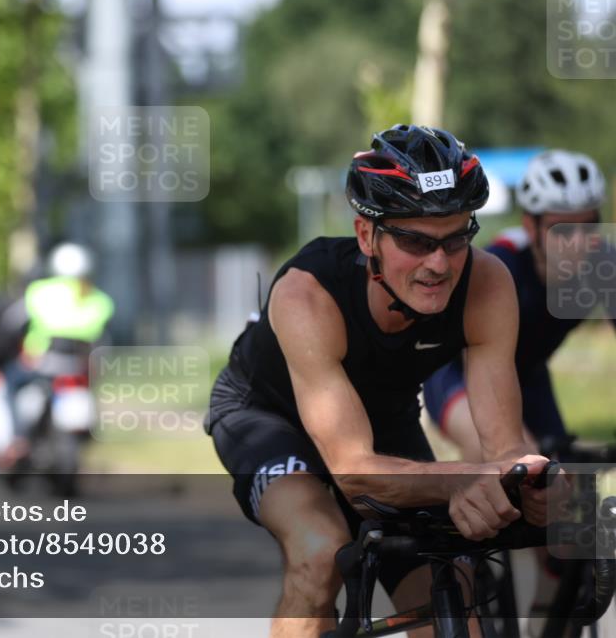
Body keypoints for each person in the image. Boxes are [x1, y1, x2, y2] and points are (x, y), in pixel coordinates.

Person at [204, 124, 552, 638]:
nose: (439, 263)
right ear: (367, 235)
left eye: (456, 239)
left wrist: (526, 484)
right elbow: (354, 472)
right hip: (267, 416)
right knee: (321, 550)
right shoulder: (308, 294)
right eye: (415, 241)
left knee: (450, 577)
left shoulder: (486, 282)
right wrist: (464, 480)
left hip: (379, 421)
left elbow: (502, 449)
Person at [423, 149, 612, 463]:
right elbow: (481, 373)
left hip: (528, 374)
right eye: (562, 227)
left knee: (561, 482)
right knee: (507, 462)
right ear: (530, 226)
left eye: (589, 225)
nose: (578, 240)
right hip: (458, 372)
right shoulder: (500, 268)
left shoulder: (606, 264)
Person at [0, 243, 114, 469]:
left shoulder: (39, 293)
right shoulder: (100, 300)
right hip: (79, 368)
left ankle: (10, 444)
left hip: (39, 366)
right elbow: (106, 338)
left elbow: (10, 326)